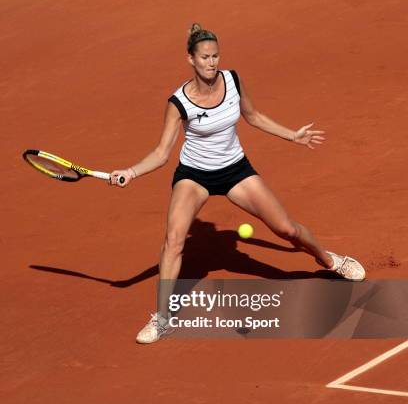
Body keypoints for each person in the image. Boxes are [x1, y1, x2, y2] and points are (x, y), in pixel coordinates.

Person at [110, 23, 365, 344]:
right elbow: (162, 154)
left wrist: (293, 136)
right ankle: (163, 318)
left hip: (234, 170)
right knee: (174, 241)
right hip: (194, 175)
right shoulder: (178, 103)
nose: (212, 62)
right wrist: (130, 172)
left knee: (286, 229)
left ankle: (330, 260)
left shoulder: (232, 80)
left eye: (216, 56)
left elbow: (253, 116)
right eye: (205, 57)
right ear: (190, 59)